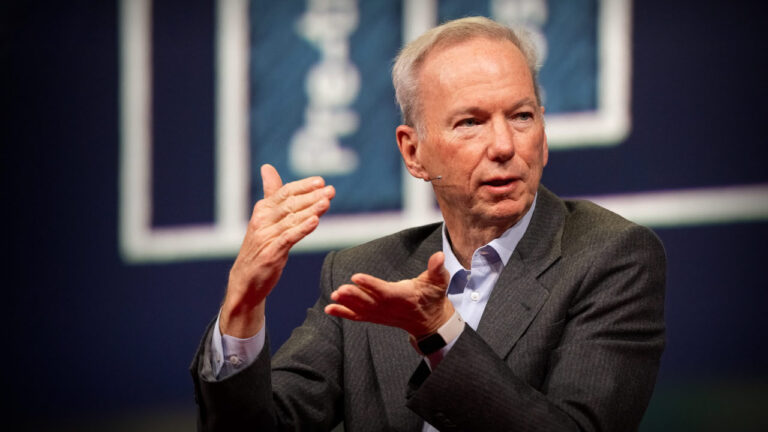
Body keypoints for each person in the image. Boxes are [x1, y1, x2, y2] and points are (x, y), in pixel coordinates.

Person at [190, 16, 666, 431]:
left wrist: (438, 331)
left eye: (521, 116)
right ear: (413, 152)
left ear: (542, 135)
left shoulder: (610, 256)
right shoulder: (366, 272)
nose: (504, 145)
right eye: (470, 123)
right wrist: (243, 303)